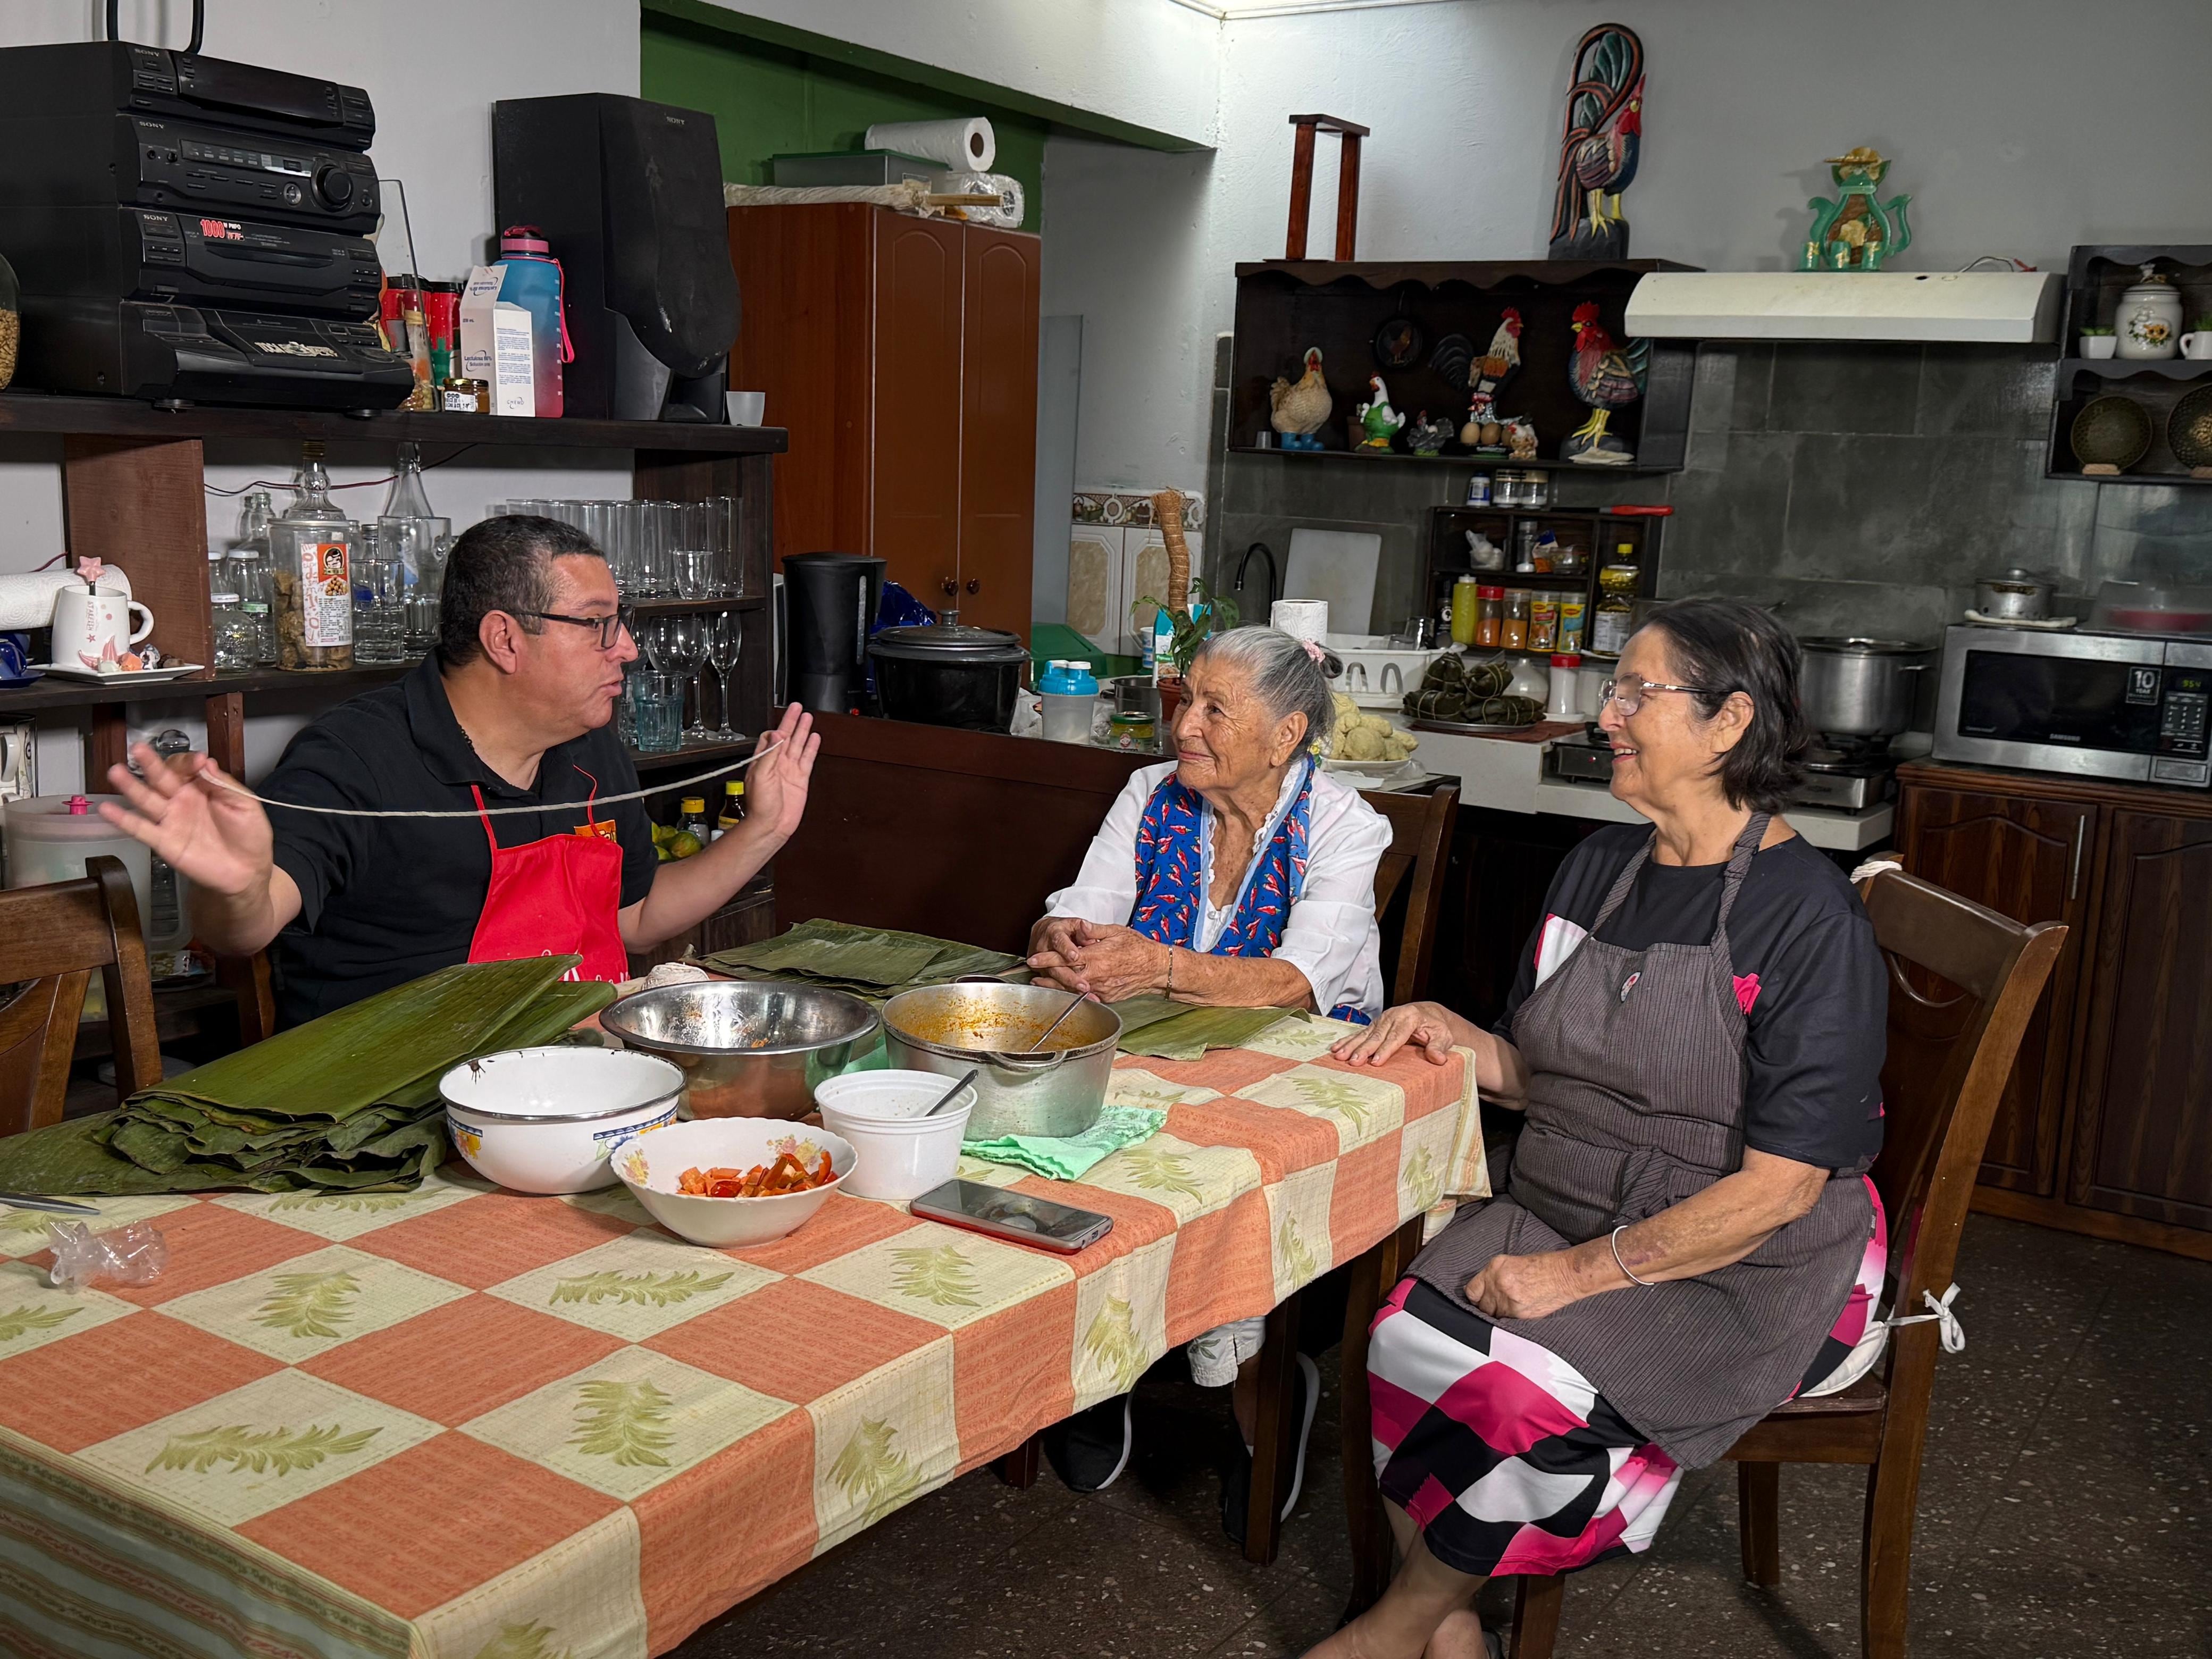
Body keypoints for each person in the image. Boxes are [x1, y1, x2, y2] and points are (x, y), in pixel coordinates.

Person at [1310, 599, 1887, 1659]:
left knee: (1519, 1393)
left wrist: (1574, 1278)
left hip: (1745, 1260)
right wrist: (1461, 1038)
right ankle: (1451, 1631)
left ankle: (1393, 1630)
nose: (1605, 715)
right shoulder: (1597, 870)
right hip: (1572, 1198)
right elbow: (1554, 1077)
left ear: (1726, 724)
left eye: (1634, 693)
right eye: (1611, 691)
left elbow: (1782, 1188)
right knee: (1404, 1338)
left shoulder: (1808, 919)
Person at [99, 515, 818, 1026]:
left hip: (574, 1080)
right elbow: (247, 928)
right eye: (600, 624)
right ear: (505, 639)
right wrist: (235, 886)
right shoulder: (354, 757)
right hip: (397, 1110)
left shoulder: (589, 743)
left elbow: (634, 920)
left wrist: (763, 832)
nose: (626, 648)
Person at [1025, 623, 1393, 1536]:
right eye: (1188, 699)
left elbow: (1298, 982)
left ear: (1286, 737)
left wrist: (1156, 967)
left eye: (1216, 709)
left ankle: (1266, 1392)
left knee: (1226, 1174)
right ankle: (1102, 1368)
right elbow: (1082, 908)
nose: (1186, 725)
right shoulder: (1150, 794)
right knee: (1046, 1127)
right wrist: (1059, 940)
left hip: (1298, 1075)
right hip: (1160, 1057)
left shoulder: (1347, 827)